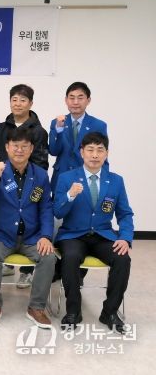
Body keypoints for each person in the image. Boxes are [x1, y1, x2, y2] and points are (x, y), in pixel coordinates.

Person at [54, 132, 133, 334]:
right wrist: (70, 195)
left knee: (122, 258)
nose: (95, 155)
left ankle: (110, 312)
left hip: (102, 235)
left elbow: (125, 214)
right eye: (90, 150)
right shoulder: (66, 178)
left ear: (106, 153)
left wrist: (125, 238)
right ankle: (73, 311)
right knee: (70, 257)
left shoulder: (116, 181)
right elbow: (57, 212)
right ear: (82, 152)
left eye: (100, 150)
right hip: (73, 234)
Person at [0, 128, 56, 329]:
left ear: (31, 149)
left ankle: (36, 307)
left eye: (24, 146)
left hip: (31, 236)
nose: (19, 150)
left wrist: (46, 236)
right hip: (1, 235)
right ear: (7, 147)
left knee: (48, 257)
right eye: (15, 146)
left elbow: (46, 208)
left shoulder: (40, 175)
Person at [0, 84, 49, 285]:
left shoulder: (38, 131)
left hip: (30, 182)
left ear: (31, 103)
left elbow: (41, 161)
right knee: (7, 219)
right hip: (5, 180)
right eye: (14, 99)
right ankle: (8, 263)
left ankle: (27, 271)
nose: (18, 104)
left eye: (23, 100)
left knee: (30, 219)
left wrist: (31, 180)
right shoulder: (3, 127)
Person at [49, 82, 108, 193]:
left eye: (80, 98)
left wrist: (104, 185)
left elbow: (103, 157)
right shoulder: (56, 123)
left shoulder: (98, 125)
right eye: (72, 98)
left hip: (86, 180)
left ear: (88, 100)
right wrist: (59, 129)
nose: (75, 102)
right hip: (61, 178)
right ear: (66, 100)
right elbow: (53, 151)